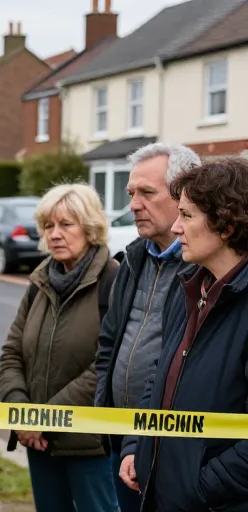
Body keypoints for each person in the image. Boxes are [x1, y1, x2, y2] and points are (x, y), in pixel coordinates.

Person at [119, 157, 248, 511]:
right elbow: (159, 377)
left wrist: (198, 487)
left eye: (187, 216)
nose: (176, 228)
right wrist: (137, 445)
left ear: (226, 223)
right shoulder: (188, 290)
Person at [0, 183, 119, 511]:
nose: (55, 234)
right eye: (48, 226)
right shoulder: (40, 283)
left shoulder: (113, 281)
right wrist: (21, 413)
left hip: (90, 448)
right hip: (39, 443)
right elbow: (11, 353)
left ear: (91, 227)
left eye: (66, 224)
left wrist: (43, 419)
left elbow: (106, 366)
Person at [93, 142, 200, 511]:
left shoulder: (203, 269)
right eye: (131, 193)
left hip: (168, 442)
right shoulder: (133, 257)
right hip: (120, 435)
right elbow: (108, 342)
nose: (133, 204)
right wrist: (102, 413)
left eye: (146, 193)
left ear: (184, 195)